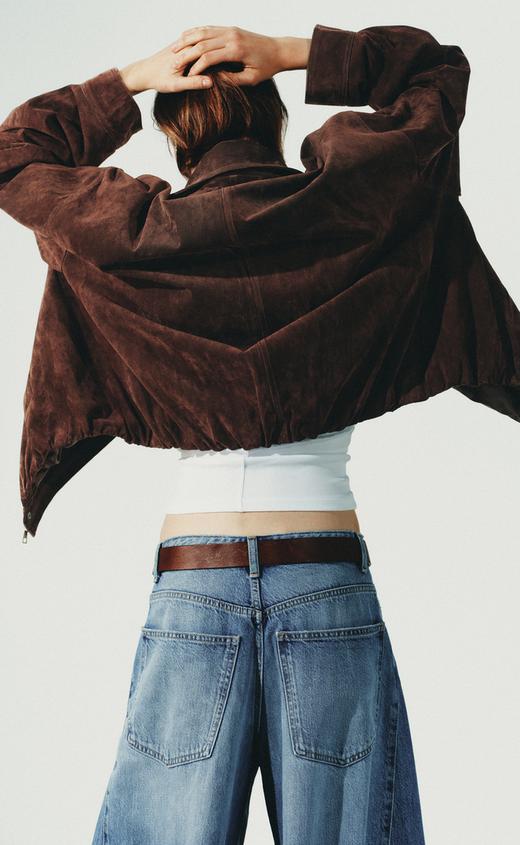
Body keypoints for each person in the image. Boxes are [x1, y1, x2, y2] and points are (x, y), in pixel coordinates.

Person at [90, 26, 425, 843]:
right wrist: (289, 51)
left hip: (194, 582)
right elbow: (435, 78)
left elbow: (13, 153)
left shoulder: (140, 235)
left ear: (175, 136)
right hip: (323, 573)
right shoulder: (343, 213)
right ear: (275, 121)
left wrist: (134, 77)